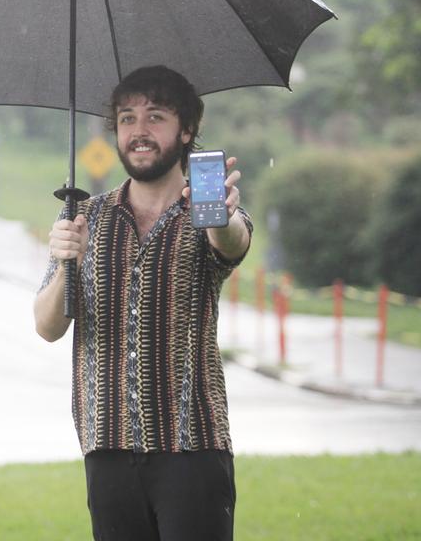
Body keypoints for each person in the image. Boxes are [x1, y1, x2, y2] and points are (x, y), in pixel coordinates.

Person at [34, 65, 251, 541]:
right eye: (128, 118)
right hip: (106, 446)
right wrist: (66, 257)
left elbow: (232, 244)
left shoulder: (207, 214)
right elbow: (48, 327)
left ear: (187, 129)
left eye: (156, 117)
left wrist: (222, 218)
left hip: (191, 447)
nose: (139, 131)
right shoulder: (84, 215)